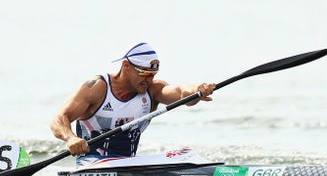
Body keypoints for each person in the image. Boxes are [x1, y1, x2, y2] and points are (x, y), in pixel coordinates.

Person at [50, 42, 216, 167]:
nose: (149, 80)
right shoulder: (97, 87)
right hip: (92, 164)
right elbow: (59, 119)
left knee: (184, 154)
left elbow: (181, 93)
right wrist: (71, 139)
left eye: (153, 75)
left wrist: (197, 90)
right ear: (126, 66)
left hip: (129, 165)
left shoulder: (153, 90)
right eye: (144, 74)